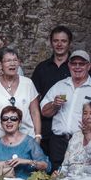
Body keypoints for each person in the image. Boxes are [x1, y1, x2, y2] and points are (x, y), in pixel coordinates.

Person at [39, 50, 91, 169]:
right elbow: (44, 112)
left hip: (84, 141)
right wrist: (54, 105)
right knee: (56, 176)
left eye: (81, 64)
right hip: (59, 142)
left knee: (79, 174)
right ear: (69, 65)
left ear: (88, 66)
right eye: (74, 63)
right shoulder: (59, 86)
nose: (77, 67)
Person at [0, 106, 51, 180]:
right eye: (5, 119)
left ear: (19, 122)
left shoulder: (29, 142)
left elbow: (47, 166)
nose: (9, 121)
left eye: (14, 118)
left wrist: (26, 161)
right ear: (1, 123)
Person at [0, 47, 40, 145]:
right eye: (8, 61)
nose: (12, 64)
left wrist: (37, 136)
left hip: (26, 140)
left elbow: (35, 112)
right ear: (0, 64)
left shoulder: (28, 83)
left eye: (15, 60)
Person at [31, 25, 73, 153]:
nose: (59, 44)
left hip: (69, 126)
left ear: (70, 43)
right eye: (56, 41)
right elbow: (33, 97)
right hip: (46, 125)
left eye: (63, 41)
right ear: (51, 42)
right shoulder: (42, 68)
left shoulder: (77, 68)